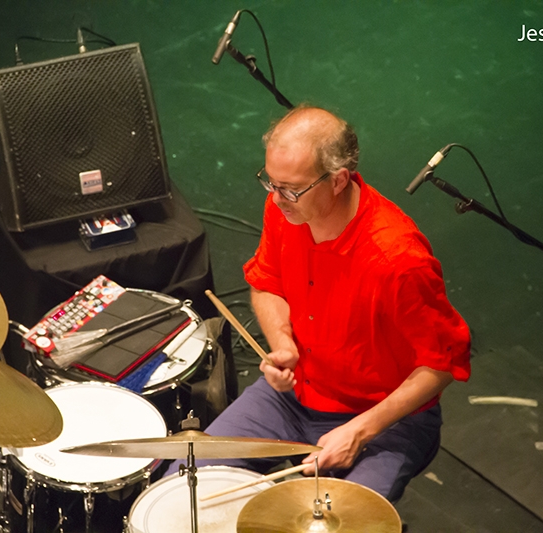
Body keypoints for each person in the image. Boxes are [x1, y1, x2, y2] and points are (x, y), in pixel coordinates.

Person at [169, 105, 470, 503]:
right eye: (270, 183)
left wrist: (360, 431)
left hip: (383, 418)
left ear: (339, 180)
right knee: (183, 487)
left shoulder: (397, 261)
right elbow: (267, 284)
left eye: (290, 188)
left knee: (345, 521)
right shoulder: (286, 210)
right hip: (296, 395)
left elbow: (442, 363)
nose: (276, 200)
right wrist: (283, 345)